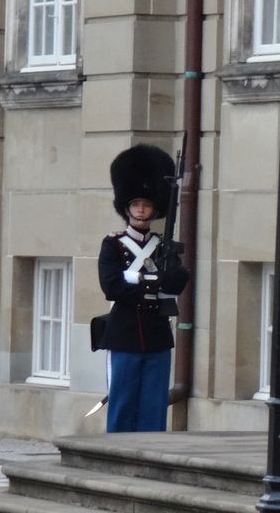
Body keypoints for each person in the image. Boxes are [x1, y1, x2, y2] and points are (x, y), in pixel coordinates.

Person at [96, 144, 189, 433]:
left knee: (153, 408)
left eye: (146, 204)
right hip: (124, 333)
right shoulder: (113, 244)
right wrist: (151, 282)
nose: (140, 209)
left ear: (154, 209)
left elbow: (177, 280)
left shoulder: (162, 247)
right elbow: (112, 286)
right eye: (135, 203)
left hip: (156, 335)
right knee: (122, 404)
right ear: (126, 208)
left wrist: (138, 280)